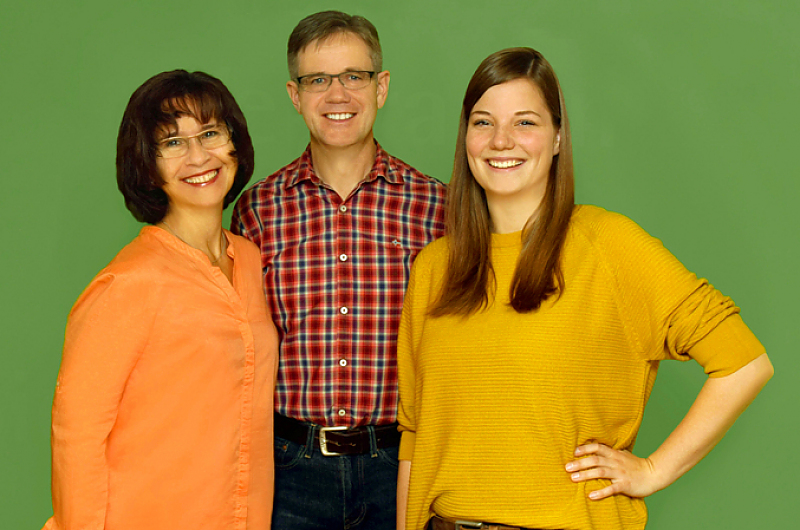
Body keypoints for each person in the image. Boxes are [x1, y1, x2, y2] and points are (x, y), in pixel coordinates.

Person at [396, 47, 773, 530]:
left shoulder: (608, 245)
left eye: (525, 123)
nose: (501, 140)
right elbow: (415, 432)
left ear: (557, 137)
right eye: (483, 122)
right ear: (465, 136)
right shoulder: (434, 267)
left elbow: (744, 362)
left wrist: (653, 470)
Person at [231, 10, 446, 530]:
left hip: (400, 466)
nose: (338, 95)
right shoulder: (256, 211)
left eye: (354, 76)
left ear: (381, 86)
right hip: (289, 469)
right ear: (294, 94)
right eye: (318, 80)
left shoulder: (438, 207)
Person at [43, 70, 278, 530]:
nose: (198, 156)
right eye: (172, 143)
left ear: (234, 144)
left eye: (210, 133)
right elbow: (77, 437)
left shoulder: (249, 261)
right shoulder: (129, 282)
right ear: (147, 166)